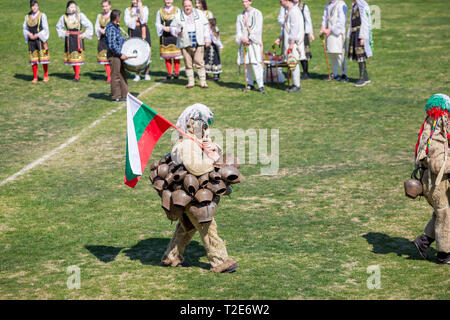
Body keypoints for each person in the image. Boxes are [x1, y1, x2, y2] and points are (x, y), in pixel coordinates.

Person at [161, 104, 238, 273]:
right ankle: (220, 261)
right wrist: (214, 164)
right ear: (192, 123)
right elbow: (195, 167)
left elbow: (211, 153)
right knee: (207, 225)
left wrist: (213, 148)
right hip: (192, 195)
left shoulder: (197, 141)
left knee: (187, 225)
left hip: (194, 194)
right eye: (203, 123)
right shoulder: (186, 145)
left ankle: (171, 255)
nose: (205, 127)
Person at [412, 94, 450, 265]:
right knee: (444, 214)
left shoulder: (438, 128)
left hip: (442, 182)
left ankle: (423, 241)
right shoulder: (434, 134)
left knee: (441, 213)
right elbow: (436, 165)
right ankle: (444, 254)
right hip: (434, 183)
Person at [170, 0, 211, 89]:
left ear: (192, 5)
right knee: (188, 63)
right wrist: (177, 31)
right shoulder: (178, 16)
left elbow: (206, 26)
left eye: (189, 5)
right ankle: (191, 82)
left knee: (199, 61)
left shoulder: (199, 13)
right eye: (185, 6)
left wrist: (207, 39)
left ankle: (203, 82)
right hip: (184, 42)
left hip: (198, 41)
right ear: (183, 7)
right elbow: (172, 27)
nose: (187, 8)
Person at [56, 1, 93, 82]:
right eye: (71, 7)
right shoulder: (64, 17)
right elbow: (58, 27)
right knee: (72, 57)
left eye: (74, 7)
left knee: (77, 57)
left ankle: (77, 76)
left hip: (78, 38)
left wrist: (84, 34)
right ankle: (76, 74)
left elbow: (89, 25)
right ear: (67, 8)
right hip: (69, 39)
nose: (73, 9)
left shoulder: (80, 16)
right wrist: (64, 33)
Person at [236, 0, 265, 94]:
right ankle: (250, 83)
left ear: (250, 1)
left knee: (256, 63)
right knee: (246, 64)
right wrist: (242, 38)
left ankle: (260, 85)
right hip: (244, 43)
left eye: (246, 1)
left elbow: (258, 29)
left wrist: (249, 38)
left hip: (254, 43)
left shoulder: (257, 13)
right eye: (242, 2)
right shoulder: (240, 16)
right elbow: (238, 30)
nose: (244, 3)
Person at [275, 0, 304, 93]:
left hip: (293, 43)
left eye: (281, 1)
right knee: (292, 63)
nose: (280, 3)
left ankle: (297, 85)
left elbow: (295, 28)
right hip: (290, 42)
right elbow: (286, 27)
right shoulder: (290, 11)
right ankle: (295, 84)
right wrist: (280, 38)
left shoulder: (294, 11)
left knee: (293, 62)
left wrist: (291, 44)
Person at [319, 0, 348, 82]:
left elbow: (341, 22)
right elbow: (324, 18)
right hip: (329, 33)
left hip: (338, 33)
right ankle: (335, 74)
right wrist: (323, 27)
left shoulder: (341, 4)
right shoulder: (327, 5)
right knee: (332, 54)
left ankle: (344, 74)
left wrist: (330, 30)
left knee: (340, 54)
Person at [23, 0, 50, 83]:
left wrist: (38, 35)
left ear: (38, 6)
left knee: (43, 57)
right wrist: (28, 34)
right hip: (31, 40)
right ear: (30, 7)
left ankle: (46, 75)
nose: (34, 7)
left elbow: (46, 28)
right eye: (33, 6)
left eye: (36, 6)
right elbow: (25, 28)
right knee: (33, 58)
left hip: (40, 39)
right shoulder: (27, 16)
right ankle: (35, 77)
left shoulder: (42, 15)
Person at [155, 0, 183, 80]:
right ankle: (169, 72)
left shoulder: (177, 10)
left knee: (176, 55)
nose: (168, 1)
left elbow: (180, 22)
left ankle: (177, 72)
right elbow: (157, 23)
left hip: (175, 35)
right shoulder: (160, 11)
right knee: (167, 55)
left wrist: (174, 29)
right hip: (165, 35)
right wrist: (163, 28)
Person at [124, 0, 152, 82]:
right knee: (135, 51)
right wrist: (136, 18)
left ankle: (147, 73)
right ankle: (137, 74)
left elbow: (144, 20)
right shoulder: (128, 10)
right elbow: (128, 23)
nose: (135, 1)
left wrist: (140, 9)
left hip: (143, 30)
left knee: (146, 50)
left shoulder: (144, 8)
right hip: (133, 31)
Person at [105, 9, 129, 102]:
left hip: (118, 55)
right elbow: (112, 45)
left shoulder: (116, 27)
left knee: (122, 74)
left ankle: (125, 94)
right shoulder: (111, 28)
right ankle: (116, 96)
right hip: (114, 56)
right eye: (120, 16)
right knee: (115, 75)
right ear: (117, 18)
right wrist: (120, 54)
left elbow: (119, 39)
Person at [347, 0, 373, 87]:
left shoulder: (362, 5)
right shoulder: (354, 6)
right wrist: (350, 34)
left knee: (360, 56)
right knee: (359, 56)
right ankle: (366, 77)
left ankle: (362, 78)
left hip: (360, 33)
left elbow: (365, 22)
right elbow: (351, 22)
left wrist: (363, 37)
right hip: (355, 33)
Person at [95, 0, 112, 83]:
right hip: (103, 38)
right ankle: (109, 76)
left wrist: (106, 31)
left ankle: (115, 74)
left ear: (110, 6)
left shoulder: (113, 14)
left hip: (111, 38)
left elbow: (115, 25)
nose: (105, 8)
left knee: (112, 58)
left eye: (106, 6)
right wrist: (99, 30)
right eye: (103, 6)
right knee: (105, 58)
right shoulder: (100, 15)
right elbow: (97, 25)